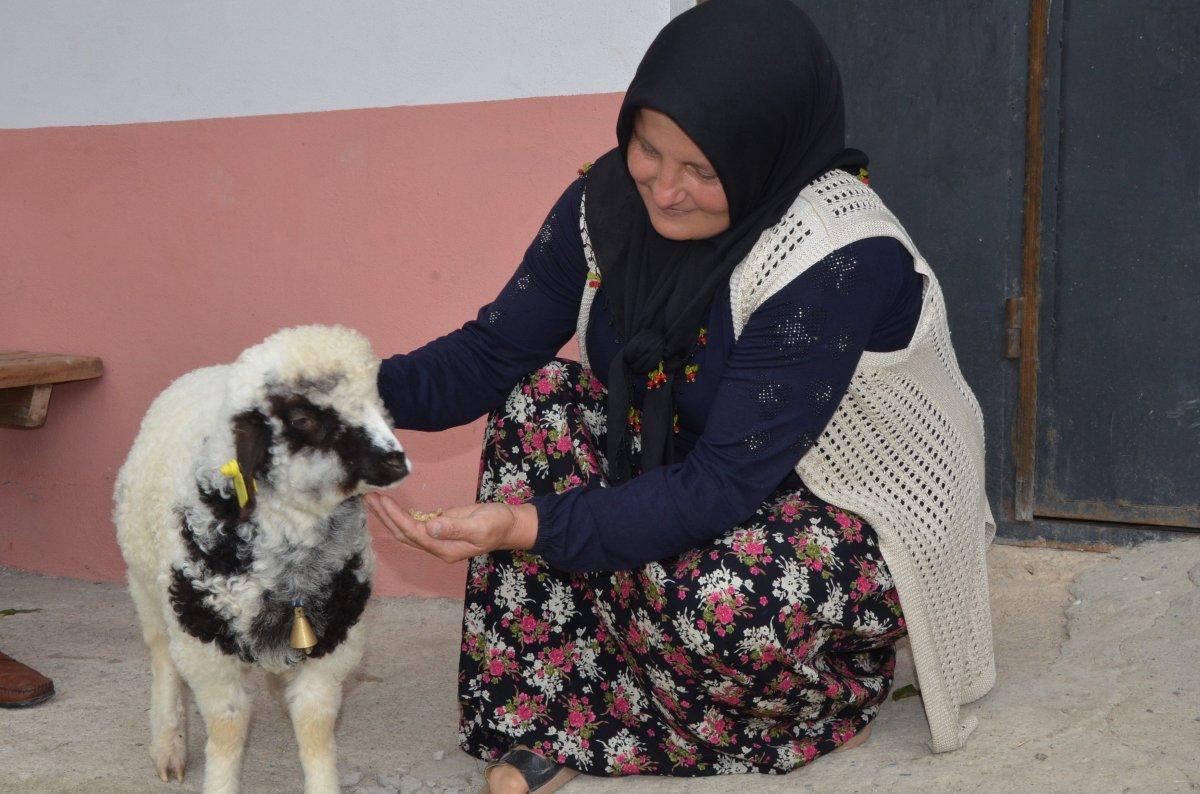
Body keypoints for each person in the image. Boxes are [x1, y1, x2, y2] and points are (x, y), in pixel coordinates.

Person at [369, 1, 995, 791]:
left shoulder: (835, 259)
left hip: (849, 514)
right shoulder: (607, 205)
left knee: (714, 593)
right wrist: (339, 389)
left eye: (702, 171)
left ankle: (825, 698)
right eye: (647, 150)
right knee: (537, 406)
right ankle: (561, 707)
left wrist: (523, 525)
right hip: (702, 464)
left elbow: (721, 488)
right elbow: (493, 353)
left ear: (764, 156)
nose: (664, 191)